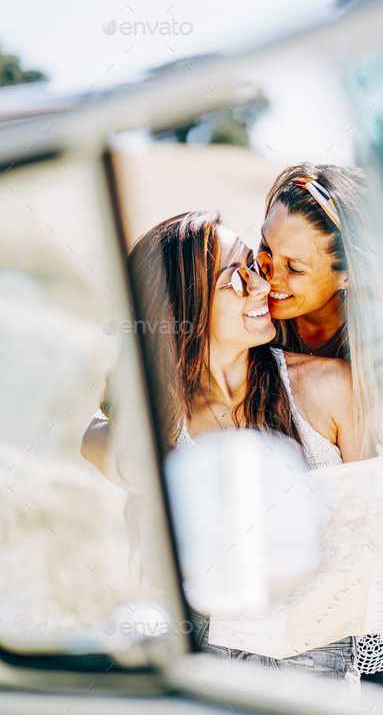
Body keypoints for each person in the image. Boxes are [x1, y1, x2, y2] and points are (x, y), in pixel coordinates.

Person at [83, 210, 364, 684]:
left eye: (253, 264)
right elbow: (93, 437)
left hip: (317, 661)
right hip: (200, 656)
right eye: (236, 277)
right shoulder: (164, 418)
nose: (262, 285)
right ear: (182, 308)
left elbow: (375, 521)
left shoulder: (328, 388)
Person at [259, 162, 383, 678]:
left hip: (361, 598)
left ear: (347, 271)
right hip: (269, 598)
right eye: (265, 250)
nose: (269, 277)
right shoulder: (248, 314)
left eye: (294, 268)